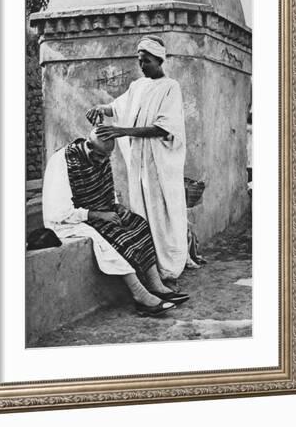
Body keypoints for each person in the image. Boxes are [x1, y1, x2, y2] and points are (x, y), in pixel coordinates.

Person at [42, 128, 189, 317]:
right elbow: (58, 211)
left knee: (138, 225)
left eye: (106, 157)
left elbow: (107, 190)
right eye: (101, 156)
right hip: (72, 219)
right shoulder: (62, 161)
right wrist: (97, 215)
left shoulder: (101, 154)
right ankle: (141, 297)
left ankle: (155, 285)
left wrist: (114, 208)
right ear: (88, 146)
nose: (104, 161)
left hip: (100, 210)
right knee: (116, 237)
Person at [86, 35, 188, 284]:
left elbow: (164, 128)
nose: (142, 66)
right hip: (139, 163)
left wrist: (122, 131)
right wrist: (101, 108)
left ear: (159, 60)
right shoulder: (138, 86)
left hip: (159, 162)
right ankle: (151, 263)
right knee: (142, 210)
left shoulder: (170, 87)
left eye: (147, 61)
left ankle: (170, 264)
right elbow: (119, 107)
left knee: (163, 210)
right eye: (140, 61)